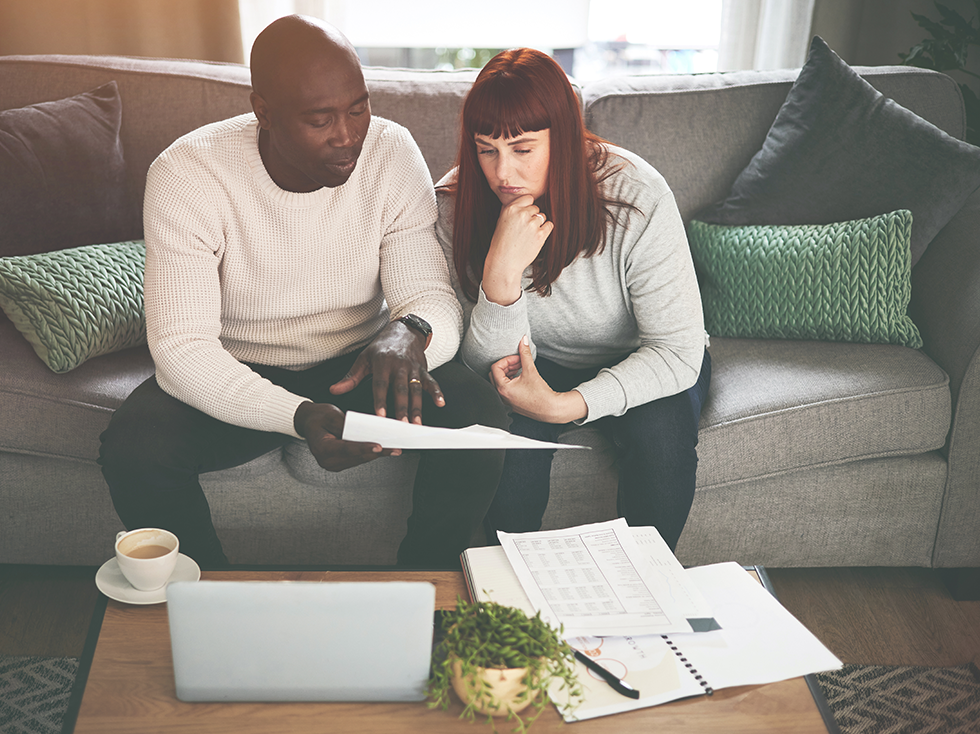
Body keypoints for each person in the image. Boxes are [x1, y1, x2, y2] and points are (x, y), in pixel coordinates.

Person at [98, 15, 507, 569]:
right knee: (133, 448)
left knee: (478, 416)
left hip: (363, 364)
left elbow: (432, 297)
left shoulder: (391, 152)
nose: (348, 136)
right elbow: (181, 350)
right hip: (241, 367)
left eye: (358, 108)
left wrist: (409, 332)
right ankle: (212, 598)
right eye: (320, 119)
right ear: (262, 112)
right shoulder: (187, 174)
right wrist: (297, 415)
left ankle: (424, 590)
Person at [436, 48, 710, 551]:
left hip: (638, 356)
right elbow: (479, 364)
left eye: (523, 149)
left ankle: (643, 591)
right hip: (532, 361)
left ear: (562, 141)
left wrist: (568, 406)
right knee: (509, 460)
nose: (502, 173)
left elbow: (678, 350)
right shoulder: (454, 203)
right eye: (486, 149)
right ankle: (509, 602)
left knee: (663, 444)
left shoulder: (637, 195)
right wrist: (501, 273)